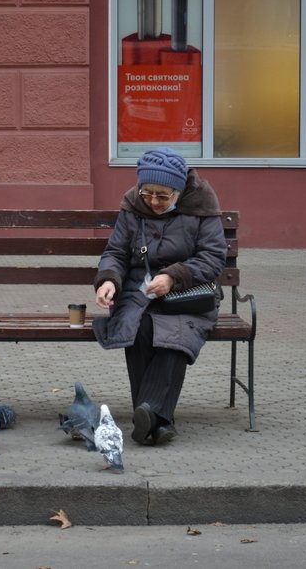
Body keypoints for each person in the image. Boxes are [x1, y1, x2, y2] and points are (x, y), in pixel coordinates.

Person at [92, 147, 228, 445]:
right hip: (137, 294)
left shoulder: (201, 206)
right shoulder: (132, 207)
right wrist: (109, 280)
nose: (153, 202)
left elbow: (213, 257)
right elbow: (115, 252)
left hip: (188, 295)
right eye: (147, 193)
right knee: (138, 328)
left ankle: (150, 413)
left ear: (179, 192)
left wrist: (173, 276)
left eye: (163, 196)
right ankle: (159, 421)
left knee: (175, 336)